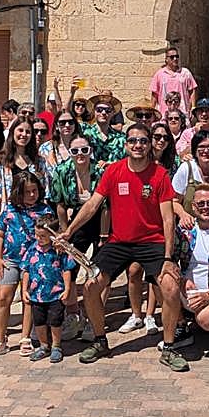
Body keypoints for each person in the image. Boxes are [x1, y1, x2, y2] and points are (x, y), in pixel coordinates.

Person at [61, 123, 190, 372]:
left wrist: (168, 257)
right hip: (119, 242)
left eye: (143, 141)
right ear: (125, 144)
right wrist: (70, 230)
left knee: (171, 287)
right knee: (90, 286)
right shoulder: (114, 171)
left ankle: (169, 347)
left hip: (152, 242)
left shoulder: (160, 175)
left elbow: (167, 219)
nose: (137, 145)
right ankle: (100, 341)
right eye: (132, 141)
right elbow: (92, 205)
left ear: (149, 145)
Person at [0, 170, 53, 359]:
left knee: (28, 298)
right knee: (2, 296)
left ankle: (25, 337)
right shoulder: (9, 210)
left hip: (34, 262)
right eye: (27, 192)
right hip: (10, 259)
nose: (31, 195)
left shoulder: (45, 211)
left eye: (34, 191)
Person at [48, 131, 107, 342]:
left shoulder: (100, 171)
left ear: (91, 151)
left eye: (84, 149)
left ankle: (95, 318)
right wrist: (66, 233)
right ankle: (73, 314)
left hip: (102, 219)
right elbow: (60, 204)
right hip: (76, 221)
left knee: (101, 269)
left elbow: (106, 206)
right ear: (70, 152)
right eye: (75, 150)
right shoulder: (62, 171)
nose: (80, 154)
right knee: (69, 267)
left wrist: (104, 235)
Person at [21, 212, 77, 363]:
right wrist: (24, 290)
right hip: (36, 295)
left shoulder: (59, 250)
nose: (39, 239)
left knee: (55, 321)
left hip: (55, 294)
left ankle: (56, 346)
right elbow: (26, 270)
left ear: (53, 235)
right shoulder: (32, 249)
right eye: (37, 235)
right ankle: (43, 345)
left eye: (43, 236)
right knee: (39, 321)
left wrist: (67, 289)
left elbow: (66, 270)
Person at [175, 183, 209, 341]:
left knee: (204, 319)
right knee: (161, 281)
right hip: (188, 292)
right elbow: (170, 261)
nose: (206, 207)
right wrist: (181, 281)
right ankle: (181, 326)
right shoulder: (185, 230)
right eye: (201, 203)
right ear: (193, 206)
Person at [150, 46, 197, 114]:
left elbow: (192, 90)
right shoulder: (159, 74)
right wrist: (152, 111)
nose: (175, 59)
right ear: (166, 59)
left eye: (177, 56)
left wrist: (193, 107)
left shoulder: (185, 73)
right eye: (172, 57)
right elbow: (154, 94)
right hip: (164, 113)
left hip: (183, 112)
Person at [83, 93, 126, 163]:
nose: (103, 113)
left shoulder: (121, 138)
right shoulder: (85, 132)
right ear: (93, 112)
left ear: (113, 113)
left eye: (108, 110)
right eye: (99, 109)